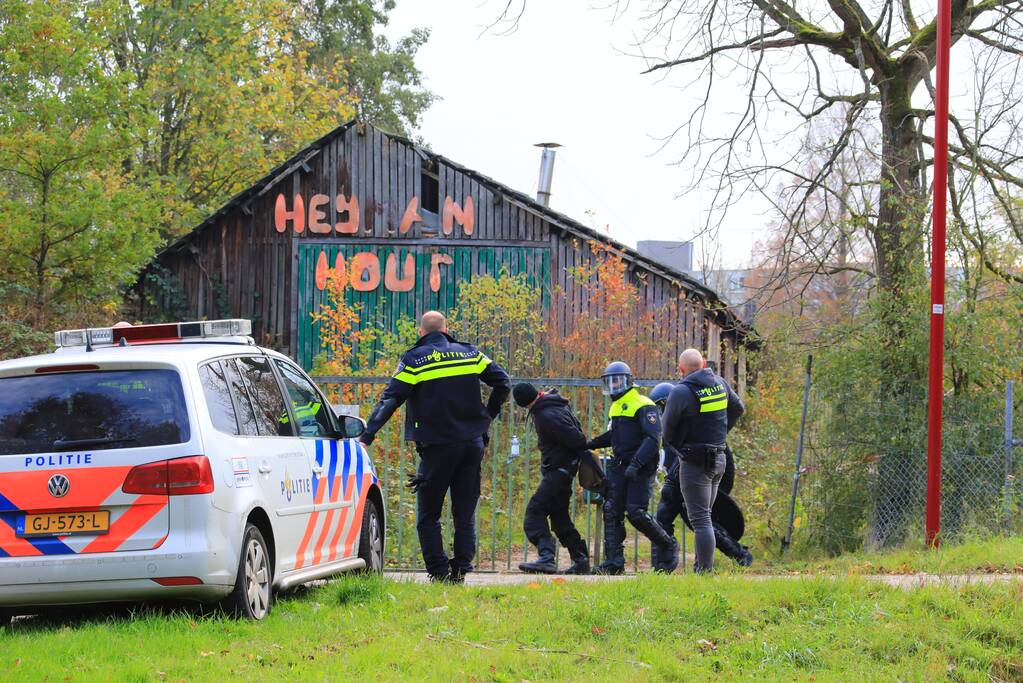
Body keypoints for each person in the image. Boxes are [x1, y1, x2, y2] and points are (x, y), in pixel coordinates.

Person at [358, 311, 510, 583]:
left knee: (428, 514)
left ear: (421, 332)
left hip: (438, 448)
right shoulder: (470, 353)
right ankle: (461, 570)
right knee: (464, 513)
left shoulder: (415, 360)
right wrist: (486, 418)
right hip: (471, 445)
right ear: (446, 329)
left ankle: (439, 573)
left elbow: (391, 399)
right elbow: (503, 382)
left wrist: (367, 436)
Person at [648, 382, 752, 572]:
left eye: (663, 406)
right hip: (689, 477)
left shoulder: (693, 426)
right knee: (665, 515)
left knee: (696, 516)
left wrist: (671, 488)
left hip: (710, 476)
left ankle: (738, 555)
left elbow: (684, 463)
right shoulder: (671, 427)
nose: (661, 412)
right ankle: (662, 567)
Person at [586, 361, 676, 575]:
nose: (614, 384)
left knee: (636, 512)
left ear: (628, 380)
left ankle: (667, 544)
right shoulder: (616, 406)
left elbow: (653, 439)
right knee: (611, 509)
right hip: (620, 465)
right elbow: (617, 435)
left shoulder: (643, 403)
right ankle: (614, 562)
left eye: (617, 380)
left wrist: (636, 464)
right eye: (610, 381)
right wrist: (591, 443)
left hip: (641, 467)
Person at [661, 349, 745, 573]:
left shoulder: (681, 391)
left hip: (695, 462)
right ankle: (701, 567)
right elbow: (738, 408)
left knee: (700, 519)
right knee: (705, 516)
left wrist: (675, 447)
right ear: (704, 363)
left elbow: (666, 430)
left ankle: (703, 573)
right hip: (719, 458)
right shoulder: (720, 383)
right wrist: (721, 433)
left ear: (681, 369)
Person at [512, 382, 591, 575]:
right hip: (561, 469)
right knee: (559, 518)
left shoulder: (547, 414)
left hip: (559, 471)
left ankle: (546, 557)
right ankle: (580, 560)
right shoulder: (551, 406)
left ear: (524, 404)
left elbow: (577, 440)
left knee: (535, 511)